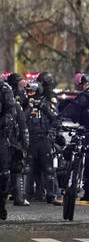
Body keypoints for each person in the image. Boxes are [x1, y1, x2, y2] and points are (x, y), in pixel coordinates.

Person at [24, 76, 61, 206]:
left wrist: (51, 134)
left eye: (32, 92)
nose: (29, 94)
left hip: (44, 139)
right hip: (31, 140)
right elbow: (21, 120)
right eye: (28, 92)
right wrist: (29, 107)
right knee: (28, 169)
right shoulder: (26, 103)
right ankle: (26, 195)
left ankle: (52, 195)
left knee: (49, 169)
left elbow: (55, 120)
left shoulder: (46, 103)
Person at [5, 73, 29, 207]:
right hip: (8, 138)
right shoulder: (14, 100)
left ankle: (18, 197)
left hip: (13, 139)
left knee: (17, 168)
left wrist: (24, 141)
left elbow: (22, 122)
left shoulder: (16, 102)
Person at [0, 79, 17, 219]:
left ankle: (1, 203)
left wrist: (6, 119)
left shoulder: (4, 89)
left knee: (4, 173)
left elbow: (11, 109)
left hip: (0, 135)